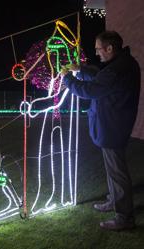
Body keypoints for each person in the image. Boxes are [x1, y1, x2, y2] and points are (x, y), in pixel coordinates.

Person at [61, 31, 141, 231]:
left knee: (117, 172)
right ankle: (115, 200)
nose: (97, 53)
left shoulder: (116, 70)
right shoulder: (123, 64)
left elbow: (89, 90)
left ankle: (124, 217)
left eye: (98, 49)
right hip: (115, 124)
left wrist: (67, 79)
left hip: (112, 126)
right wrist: (80, 70)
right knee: (114, 170)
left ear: (110, 48)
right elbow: (99, 77)